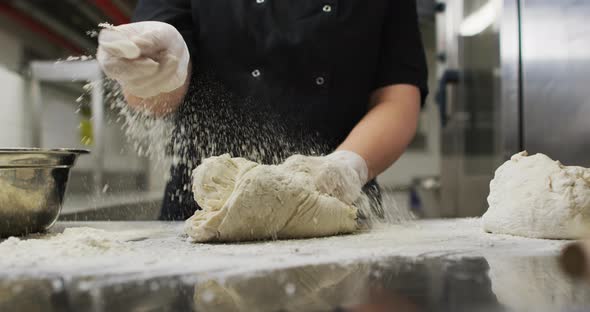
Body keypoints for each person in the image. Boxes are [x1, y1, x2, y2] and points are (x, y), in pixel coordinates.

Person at [97, 0, 428, 220]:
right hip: (206, 210)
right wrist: (151, 74)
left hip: (337, 206)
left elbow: (397, 98)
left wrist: (344, 169)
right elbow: (153, 101)